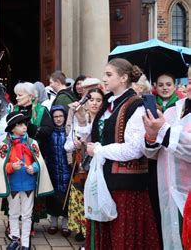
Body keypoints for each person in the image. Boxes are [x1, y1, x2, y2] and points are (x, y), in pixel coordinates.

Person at [76, 58, 160, 249]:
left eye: (108, 74)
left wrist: (98, 149)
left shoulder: (136, 106)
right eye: (104, 74)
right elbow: (98, 135)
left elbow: (134, 149)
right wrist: (82, 120)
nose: (103, 79)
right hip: (105, 181)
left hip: (126, 187)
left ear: (123, 78)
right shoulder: (108, 104)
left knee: (123, 238)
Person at [0, 111, 53, 250]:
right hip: (13, 185)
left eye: (25, 124)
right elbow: (0, 166)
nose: (24, 127)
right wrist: (12, 166)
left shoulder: (32, 143)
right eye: (20, 124)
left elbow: (39, 161)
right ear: (12, 128)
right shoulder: (4, 145)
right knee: (13, 213)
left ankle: (25, 242)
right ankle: (14, 239)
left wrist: (34, 168)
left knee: (27, 214)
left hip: (29, 184)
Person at [143, 66, 191, 250]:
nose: (189, 87)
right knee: (171, 239)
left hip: (187, 193)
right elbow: (153, 153)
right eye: (189, 81)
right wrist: (151, 135)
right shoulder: (173, 111)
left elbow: (187, 148)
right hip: (166, 190)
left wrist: (163, 131)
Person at [64, 88, 104, 244]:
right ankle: (83, 233)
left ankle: (93, 235)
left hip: (98, 167)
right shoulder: (81, 118)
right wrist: (75, 143)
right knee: (81, 200)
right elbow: (67, 146)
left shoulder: (104, 119)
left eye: (98, 100)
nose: (94, 103)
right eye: (91, 99)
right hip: (81, 167)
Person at [13, 81, 54, 236]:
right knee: (16, 188)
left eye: (20, 95)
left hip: (34, 156)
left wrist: (29, 127)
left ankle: (29, 224)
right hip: (16, 156)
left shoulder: (41, 110)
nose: (16, 98)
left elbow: (48, 130)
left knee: (31, 190)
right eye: (16, 95)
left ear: (30, 96)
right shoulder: (15, 109)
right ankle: (14, 222)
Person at [45, 105, 71, 237]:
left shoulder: (69, 132)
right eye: (55, 117)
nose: (58, 119)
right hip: (52, 168)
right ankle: (53, 223)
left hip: (67, 169)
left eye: (61, 116)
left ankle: (66, 224)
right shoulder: (50, 132)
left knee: (67, 196)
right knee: (53, 196)